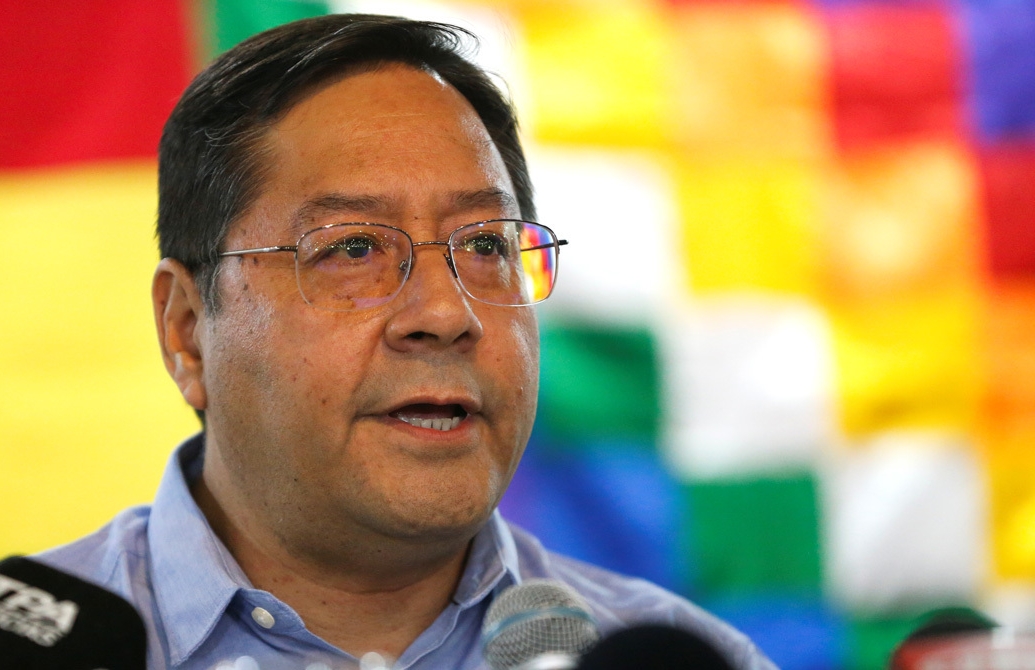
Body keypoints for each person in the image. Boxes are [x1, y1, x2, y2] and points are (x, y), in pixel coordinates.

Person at [38, 14, 777, 670]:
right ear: (188, 332)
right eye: (354, 248)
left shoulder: (671, 656)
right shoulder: (16, 649)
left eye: (485, 244)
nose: (447, 314)